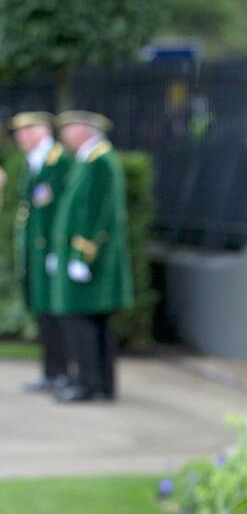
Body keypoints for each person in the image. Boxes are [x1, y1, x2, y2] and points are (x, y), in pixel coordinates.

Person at [49, 111, 133, 403]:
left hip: (90, 259)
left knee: (82, 322)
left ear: (85, 131)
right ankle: (97, 384)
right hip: (84, 256)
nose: (64, 135)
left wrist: (82, 255)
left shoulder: (100, 162)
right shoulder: (89, 160)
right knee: (91, 323)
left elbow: (96, 213)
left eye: (69, 128)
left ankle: (90, 384)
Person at [6, 112, 74, 393]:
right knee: (44, 314)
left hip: (51, 251)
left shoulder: (58, 161)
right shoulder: (33, 163)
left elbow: (63, 211)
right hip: (36, 253)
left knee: (58, 315)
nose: (20, 137)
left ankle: (65, 374)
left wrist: (58, 251)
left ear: (42, 131)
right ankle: (52, 372)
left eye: (26, 131)